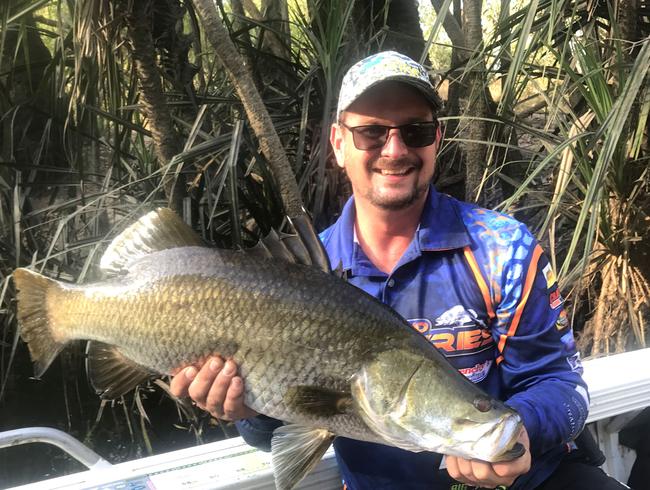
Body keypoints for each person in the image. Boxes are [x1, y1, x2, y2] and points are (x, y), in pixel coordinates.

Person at [170, 51, 628, 490]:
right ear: (338, 144)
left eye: (415, 131)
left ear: (437, 140)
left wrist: (521, 431)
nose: (395, 149)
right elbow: (269, 431)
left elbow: (561, 383)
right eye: (371, 132)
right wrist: (239, 407)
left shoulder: (502, 250)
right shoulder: (303, 273)